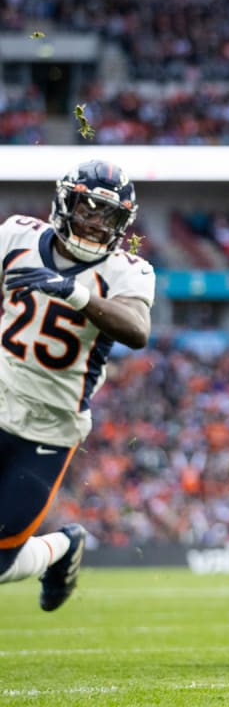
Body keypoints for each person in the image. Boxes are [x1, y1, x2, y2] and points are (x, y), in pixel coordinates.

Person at [0, 160, 153, 611]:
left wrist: (73, 292)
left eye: (108, 216)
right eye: (87, 208)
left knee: (2, 560)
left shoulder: (130, 272)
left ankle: (63, 547)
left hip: (49, 427)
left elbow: (137, 330)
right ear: (64, 202)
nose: (94, 222)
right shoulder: (16, 235)